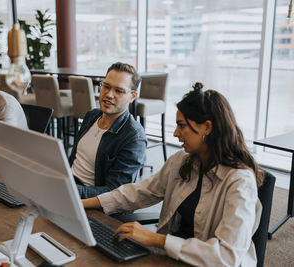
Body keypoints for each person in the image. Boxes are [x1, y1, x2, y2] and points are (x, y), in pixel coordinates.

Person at [83, 82, 264, 266]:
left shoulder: (240, 181)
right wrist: (82, 204)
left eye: (182, 125)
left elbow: (226, 256)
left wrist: (155, 239)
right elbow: (140, 192)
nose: (176, 133)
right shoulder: (182, 160)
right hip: (173, 256)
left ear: (207, 127)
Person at [69, 62, 147, 199]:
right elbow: (74, 160)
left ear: (132, 96)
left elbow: (115, 193)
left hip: (89, 200)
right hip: (69, 185)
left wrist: (73, 190)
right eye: (106, 86)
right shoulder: (92, 116)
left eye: (118, 91)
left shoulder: (134, 137)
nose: (109, 95)